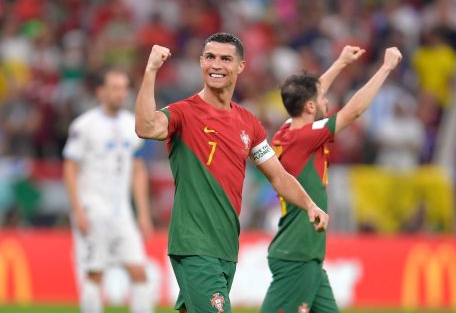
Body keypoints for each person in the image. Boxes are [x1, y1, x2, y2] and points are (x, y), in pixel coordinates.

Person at [134, 32, 329, 313]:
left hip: (225, 247)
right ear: (201, 62)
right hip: (194, 244)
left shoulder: (248, 123)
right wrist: (151, 70)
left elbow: (277, 175)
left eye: (226, 59)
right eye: (210, 57)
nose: (216, 64)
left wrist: (310, 205)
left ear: (240, 67)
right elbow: (145, 127)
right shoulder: (184, 113)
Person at [261, 46, 403, 313]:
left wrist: (340, 62)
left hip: (306, 256)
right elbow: (353, 112)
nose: (327, 102)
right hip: (297, 256)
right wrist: (386, 68)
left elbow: (309, 95)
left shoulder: (287, 131)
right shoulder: (306, 136)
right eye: (323, 98)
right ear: (311, 107)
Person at [63, 68, 154, 313]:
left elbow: (138, 170)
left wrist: (143, 214)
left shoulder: (131, 125)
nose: (120, 94)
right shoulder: (84, 125)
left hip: (122, 211)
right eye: (114, 88)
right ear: (100, 92)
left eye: (124, 88)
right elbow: (70, 168)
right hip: (93, 208)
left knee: (139, 271)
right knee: (95, 273)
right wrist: (78, 210)